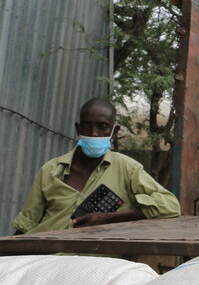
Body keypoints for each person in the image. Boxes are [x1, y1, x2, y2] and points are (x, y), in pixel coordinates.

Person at [12, 98, 181, 234]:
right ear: (78, 129)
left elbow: (170, 206)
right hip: (45, 256)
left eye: (103, 126)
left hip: (95, 262)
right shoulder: (50, 170)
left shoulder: (127, 169)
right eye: (87, 125)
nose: (94, 133)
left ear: (114, 132)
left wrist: (107, 217)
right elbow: (27, 225)